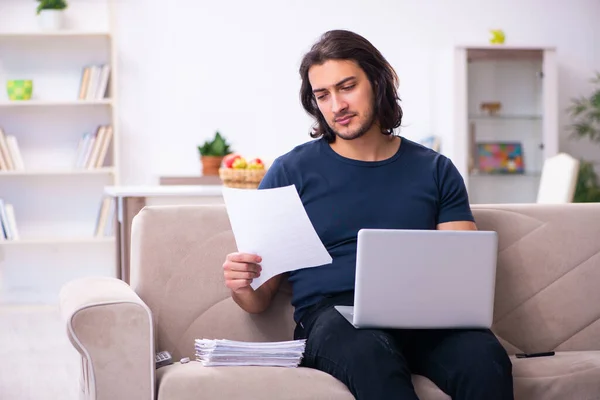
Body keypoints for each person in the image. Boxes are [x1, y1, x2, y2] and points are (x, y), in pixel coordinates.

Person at [222, 29, 514, 400]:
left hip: (425, 313)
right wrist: (242, 284)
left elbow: (463, 274)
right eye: (322, 95)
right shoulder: (290, 172)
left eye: (347, 87)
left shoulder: (435, 170)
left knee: (485, 358)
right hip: (333, 319)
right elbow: (258, 300)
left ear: (378, 82)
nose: (336, 106)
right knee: (372, 355)